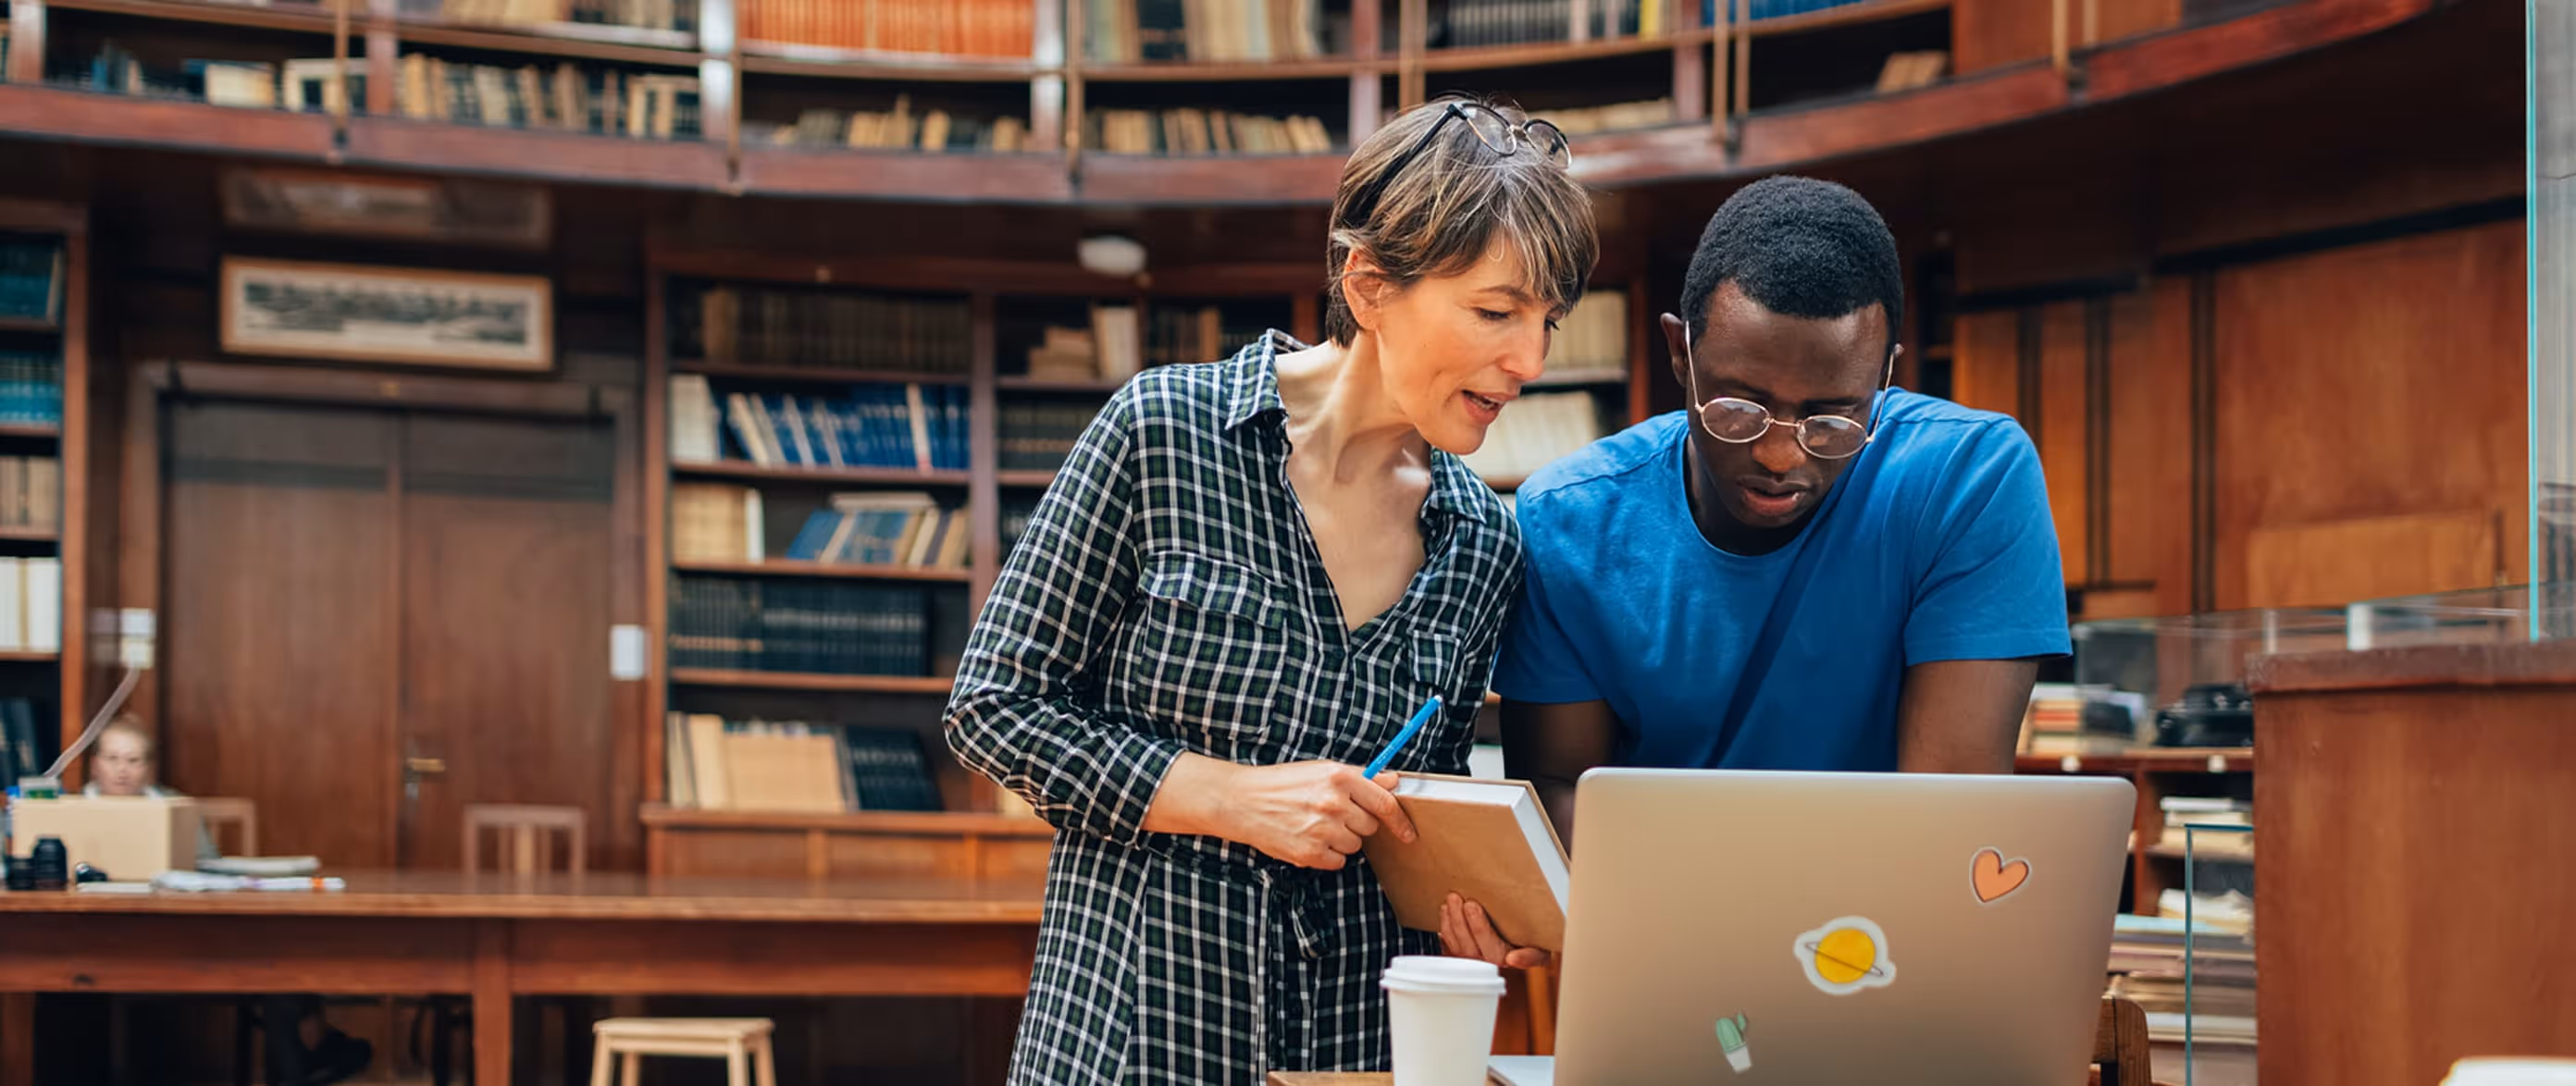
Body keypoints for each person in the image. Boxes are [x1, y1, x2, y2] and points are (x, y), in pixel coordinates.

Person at [945, 95, 1596, 1084]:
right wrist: (1230, 796)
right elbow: (993, 707)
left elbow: (1417, 811)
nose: (1530, 361)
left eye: (1548, 322)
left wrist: (1474, 901)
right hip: (1131, 1042)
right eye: (1497, 311)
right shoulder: (1161, 431)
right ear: (1369, 283)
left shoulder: (1484, 545)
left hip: (1350, 1052)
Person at [1442, 176, 2070, 969]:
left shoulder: (1969, 478)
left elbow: (1947, 822)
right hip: (1657, 967)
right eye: (1740, 408)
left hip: (1883, 964)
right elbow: (1561, 794)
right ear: (1681, 355)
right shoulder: (1570, 520)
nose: (1781, 456)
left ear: (1885, 377)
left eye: (1834, 418)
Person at [86, 717, 373, 1085]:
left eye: (133, 760)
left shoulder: (175, 806)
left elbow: (209, 868)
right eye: (112, 759)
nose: (122, 771)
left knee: (276, 956)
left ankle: (300, 1067)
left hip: (179, 933)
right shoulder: (70, 806)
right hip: (100, 937)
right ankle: (318, 1046)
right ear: (95, 764)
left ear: (150, 768)